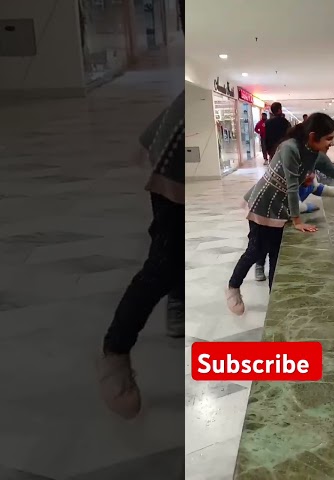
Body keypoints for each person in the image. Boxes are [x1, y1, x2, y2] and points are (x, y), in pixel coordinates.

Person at [97, 0, 185, 420]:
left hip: (184, 174)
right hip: (173, 179)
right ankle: (115, 350)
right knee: (163, 262)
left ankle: (178, 299)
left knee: (177, 257)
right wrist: (152, 139)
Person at [226, 113, 334, 314]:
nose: (331, 143)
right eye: (329, 138)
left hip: (282, 209)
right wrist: (297, 221)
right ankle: (233, 287)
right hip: (263, 204)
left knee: (276, 256)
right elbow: (291, 186)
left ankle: (274, 303)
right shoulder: (290, 149)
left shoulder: (316, 156)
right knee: (256, 250)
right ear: (313, 136)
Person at [253, 172, 334, 281]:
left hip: (280, 215)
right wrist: (309, 207)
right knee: (261, 241)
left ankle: (272, 271)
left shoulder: (310, 183)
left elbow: (328, 190)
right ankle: (259, 264)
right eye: (307, 173)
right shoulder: (291, 184)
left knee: (273, 246)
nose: (311, 175)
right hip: (263, 212)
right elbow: (295, 206)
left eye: (313, 172)